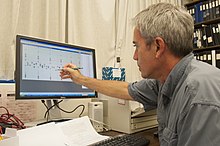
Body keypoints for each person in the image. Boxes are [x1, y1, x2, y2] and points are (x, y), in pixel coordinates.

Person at [60, 2, 220, 146]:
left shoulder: (198, 96)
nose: (134, 56)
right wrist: (81, 79)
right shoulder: (166, 80)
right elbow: (126, 89)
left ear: (158, 47)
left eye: (136, 46)